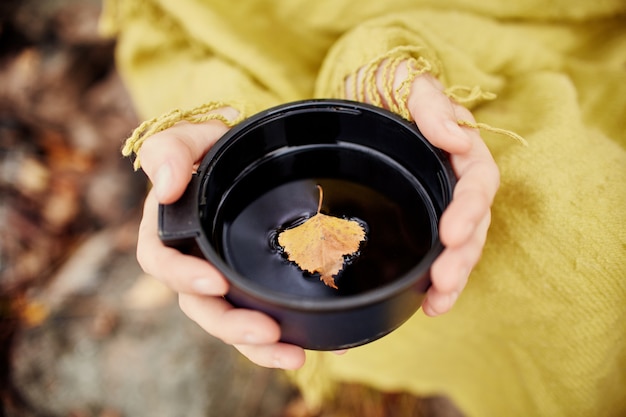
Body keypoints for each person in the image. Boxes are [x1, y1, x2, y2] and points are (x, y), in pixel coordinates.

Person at [100, 1, 626, 415]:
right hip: (259, 60)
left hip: (500, 46)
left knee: (583, 237)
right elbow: (177, 32)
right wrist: (215, 111)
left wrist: (394, 66)